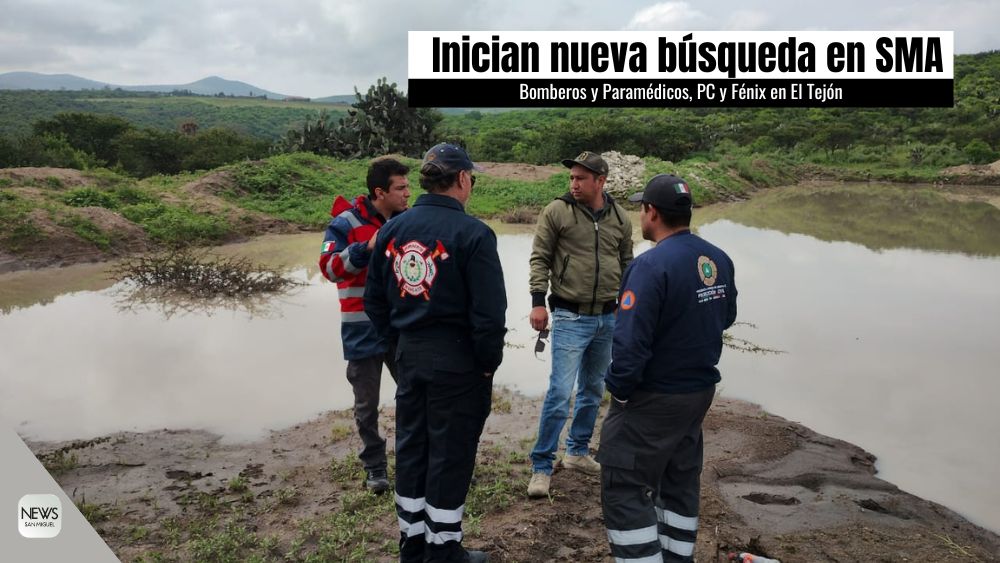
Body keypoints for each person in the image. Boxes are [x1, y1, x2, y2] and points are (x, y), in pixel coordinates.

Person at [364, 143, 507, 563]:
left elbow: (374, 302)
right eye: (472, 178)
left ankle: (412, 544)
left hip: (410, 358)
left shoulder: (391, 230)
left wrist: (399, 347)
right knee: (450, 454)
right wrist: (485, 366)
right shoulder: (474, 234)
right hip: (458, 363)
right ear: (462, 179)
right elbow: (488, 316)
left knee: (412, 449)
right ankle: (443, 552)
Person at [597, 174, 738, 563]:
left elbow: (629, 346)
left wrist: (620, 391)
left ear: (651, 212)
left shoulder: (649, 266)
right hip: (697, 394)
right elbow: (726, 317)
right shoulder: (717, 258)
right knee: (678, 482)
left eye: (641, 208)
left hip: (653, 397)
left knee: (624, 484)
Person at [527, 151, 634, 498]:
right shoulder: (556, 211)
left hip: (608, 316)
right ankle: (542, 466)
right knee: (559, 393)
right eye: (571, 178)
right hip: (569, 316)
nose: (573, 184)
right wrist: (536, 303)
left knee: (592, 390)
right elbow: (540, 257)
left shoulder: (619, 216)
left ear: (600, 181)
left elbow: (628, 263)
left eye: (580, 178)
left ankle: (576, 452)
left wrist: (628, 308)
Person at [319, 157, 411, 494]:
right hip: (361, 328)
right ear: (379, 191)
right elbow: (328, 268)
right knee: (366, 405)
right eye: (400, 188)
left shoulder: (408, 220)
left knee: (414, 395)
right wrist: (365, 248)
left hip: (402, 326)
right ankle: (375, 466)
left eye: (407, 186)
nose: (407, 194)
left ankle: (412, 460)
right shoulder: (344, 223)